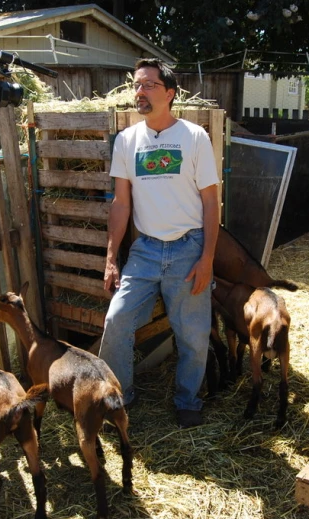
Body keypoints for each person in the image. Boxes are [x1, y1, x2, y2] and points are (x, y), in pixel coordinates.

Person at [99, 58, 219, 429]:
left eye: (149, 85)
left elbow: (211, 201)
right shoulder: (126, 140)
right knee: (117, 320)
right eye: (136, 85)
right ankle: (121, 398)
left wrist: (207, 259)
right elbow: (121, 202)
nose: (139, 92)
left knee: (194, 336)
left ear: (169, 93)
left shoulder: (194, 137)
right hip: (145, 251)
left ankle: (188, 401)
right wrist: (111, 257)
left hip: (188, 248)